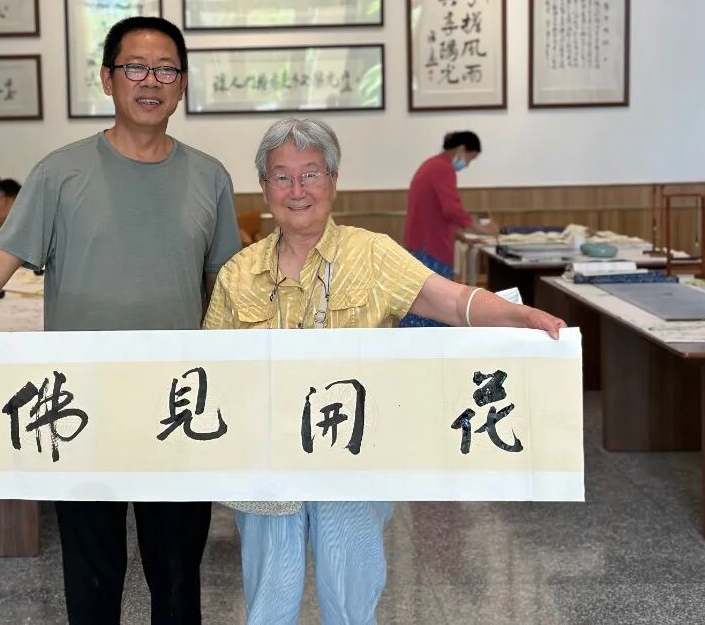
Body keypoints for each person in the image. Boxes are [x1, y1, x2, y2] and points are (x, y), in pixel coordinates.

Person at [0, 16, 242, 625]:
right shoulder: (60, 173)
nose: (150, 81)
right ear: (107, 79)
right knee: (92, 579)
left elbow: (230, 286)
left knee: (177, 580)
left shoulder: (210, 177)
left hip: (179, 405)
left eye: (165, 70)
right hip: (81, 404)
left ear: (183, 84)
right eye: (135, 67)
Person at [202, 118, 565, 625]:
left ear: (333, 181)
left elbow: (451, 300)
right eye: (282, 177)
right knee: (268, 603)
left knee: (351, 603)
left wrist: (517, 315)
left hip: (353, 461)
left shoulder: (371, 254)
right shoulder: (238, 273)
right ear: (264, 187)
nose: (297, 189)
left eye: (311, 174)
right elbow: (211, 372)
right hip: (266, 469)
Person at [401, 130, 498, 327]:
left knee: (420, 303)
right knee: (435, 307)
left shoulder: (431, 165)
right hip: (430, 248)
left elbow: (437, 213)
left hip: (422, 243)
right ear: (461, 149)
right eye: (471, 158)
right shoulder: (442, 168)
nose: (467, 164)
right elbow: (451, 209)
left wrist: (463, 236)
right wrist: (481, 228)